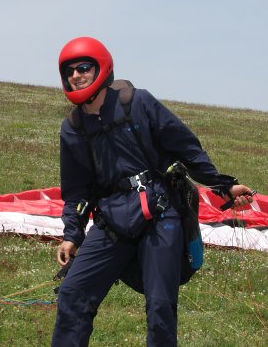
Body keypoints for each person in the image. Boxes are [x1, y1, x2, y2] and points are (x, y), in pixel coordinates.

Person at [52, 37, 256, 347]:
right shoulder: (73, 128)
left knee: (161, 305)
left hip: (160, 214)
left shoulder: (138, 103)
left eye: (83, 68)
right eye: (69, 71)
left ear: (101, 68)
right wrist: (72, 234)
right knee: (72, 293)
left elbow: (185, 147)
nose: (76, 76)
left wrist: (223, 185)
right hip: (113, 220)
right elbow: (77, 189)